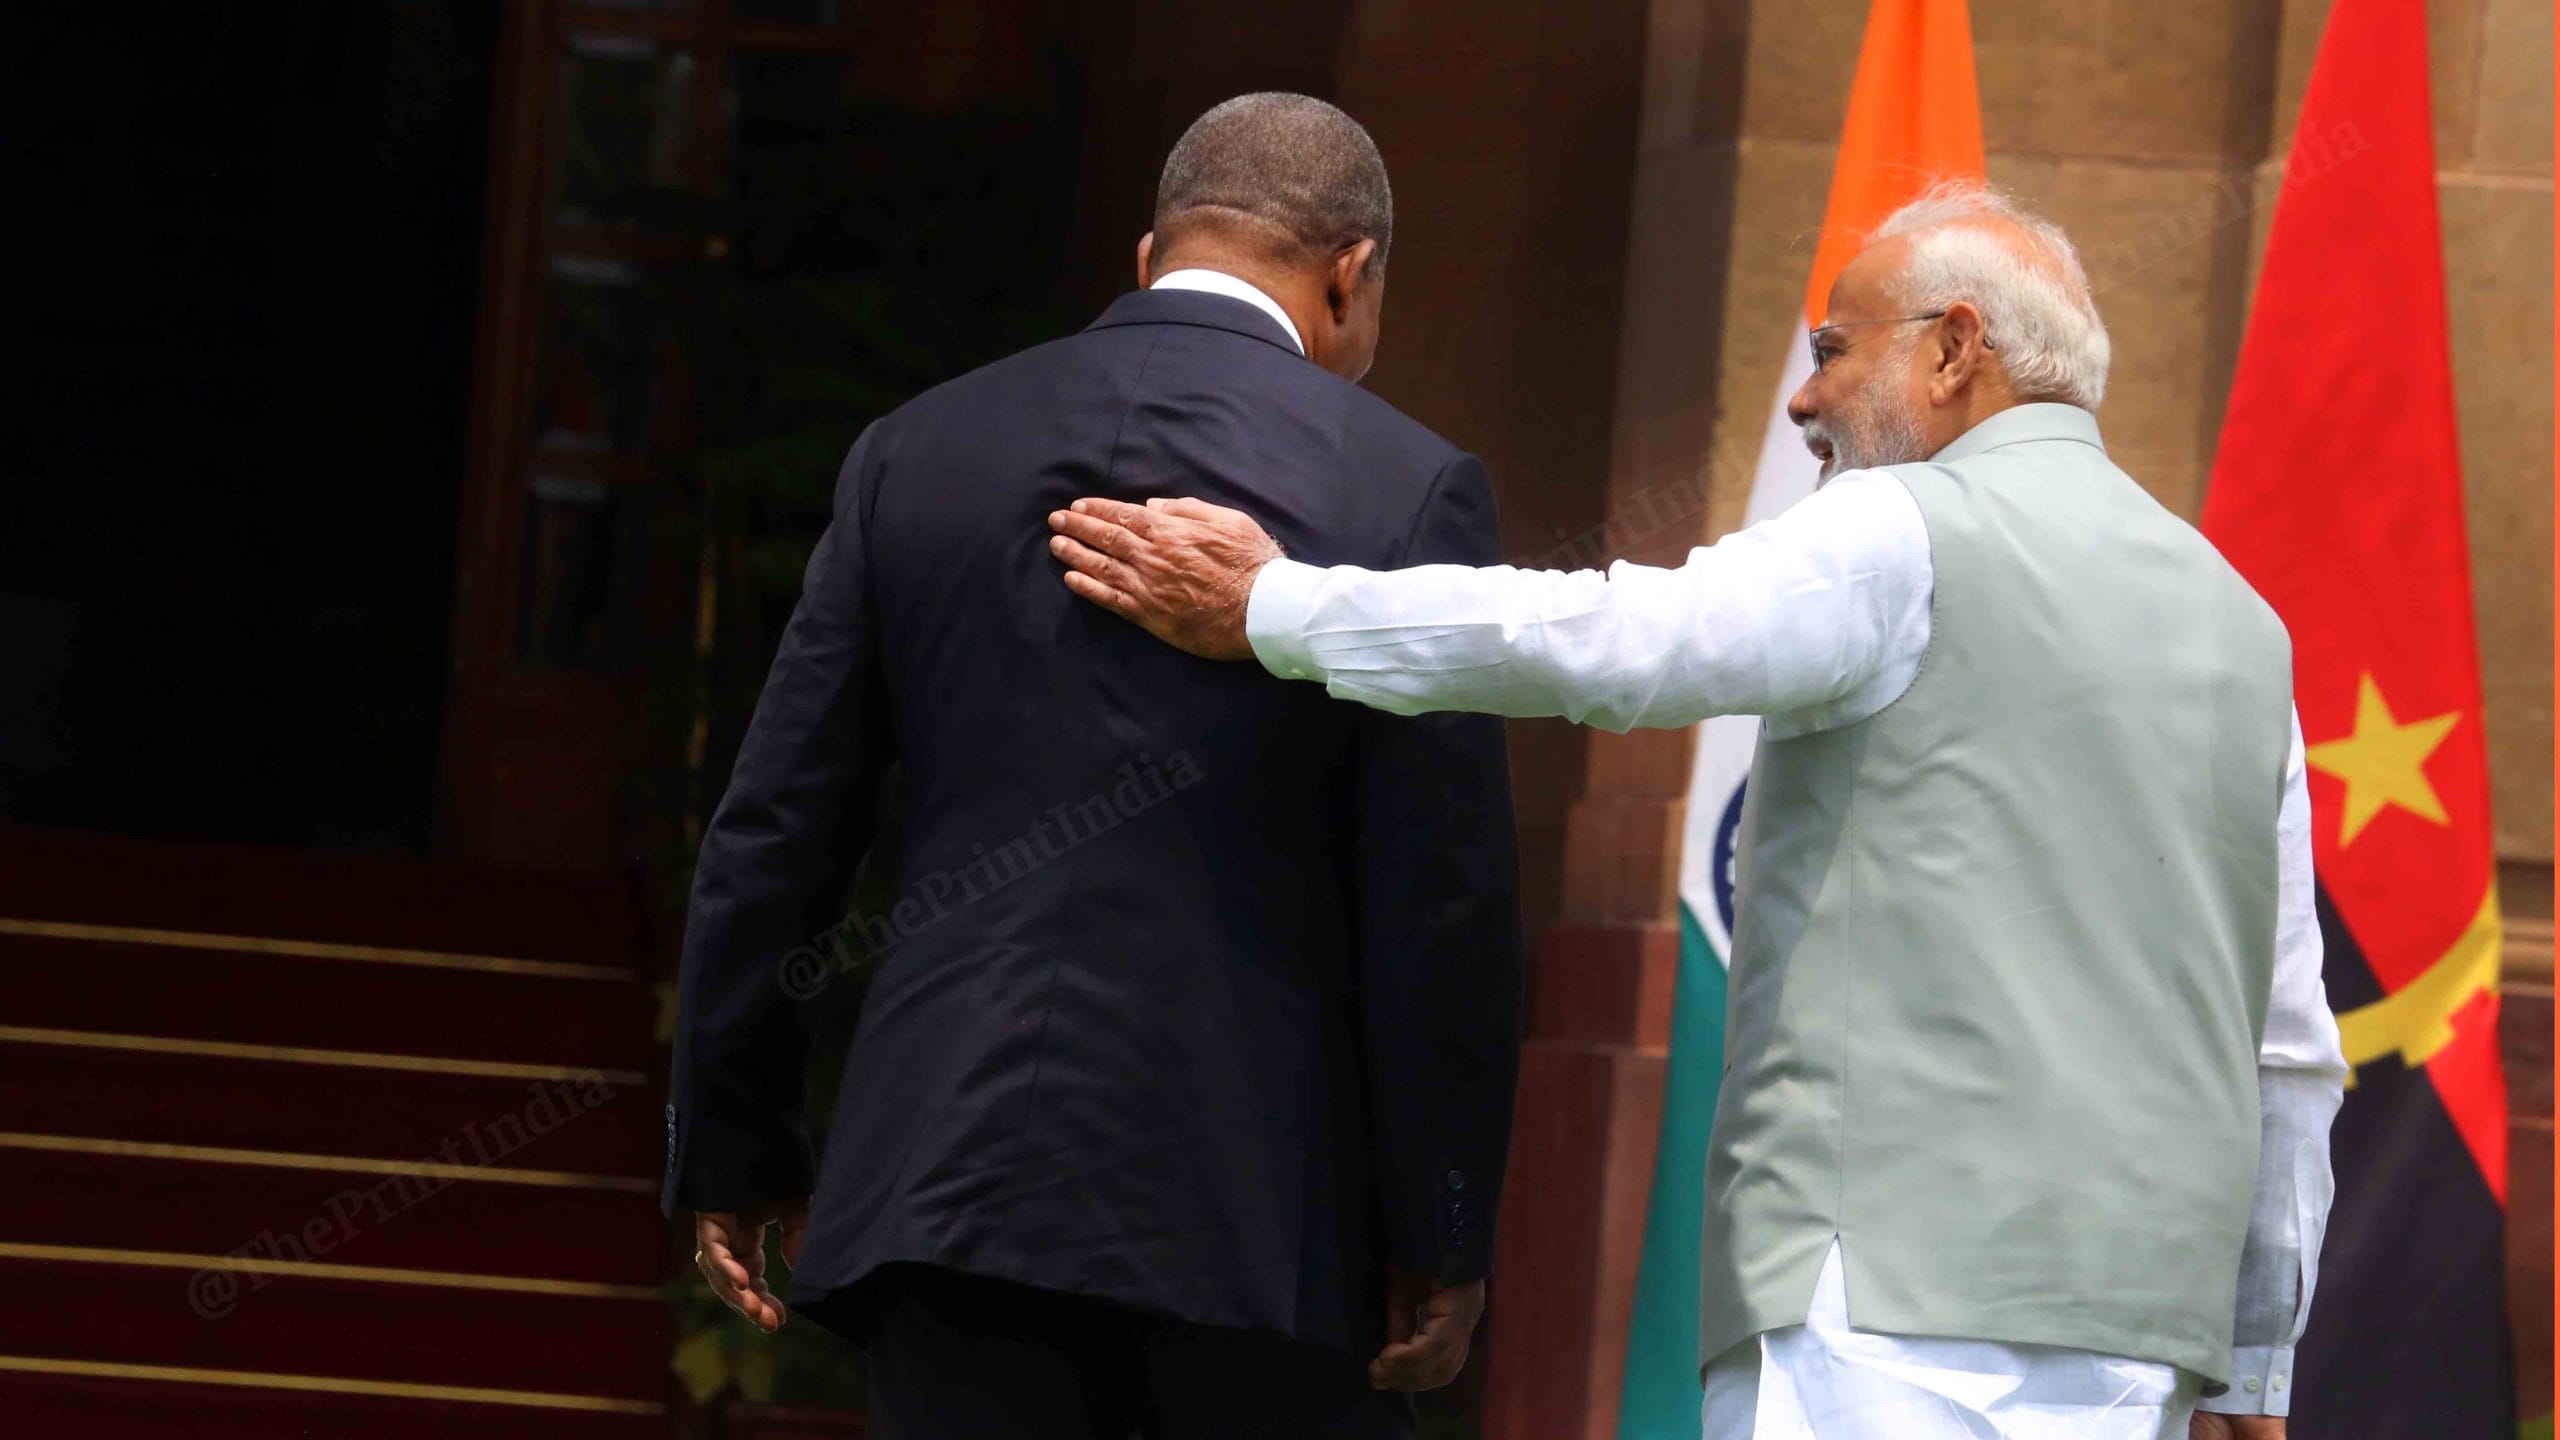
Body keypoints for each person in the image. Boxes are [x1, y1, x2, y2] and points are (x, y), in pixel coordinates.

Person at [1046, 181, 2347, 1440]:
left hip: (1875, 1319)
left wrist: (1279, 607)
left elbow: (1617, 639)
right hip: (2137, 1344)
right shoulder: (2248, 629)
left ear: (1956, 349)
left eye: (1836, 348)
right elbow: (2288, 1048)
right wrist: (2259, 1354)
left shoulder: (1897, 529)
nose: (1805, 392)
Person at [660, 93, 1527, 1440]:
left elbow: (776, 831)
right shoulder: (1407, 490)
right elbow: (1445, 897)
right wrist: (1441, 1227)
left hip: (949, 1191)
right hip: (1260, 1226)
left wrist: (734, 1141)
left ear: (1148, 256)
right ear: (1354, 274)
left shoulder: (917, 450)